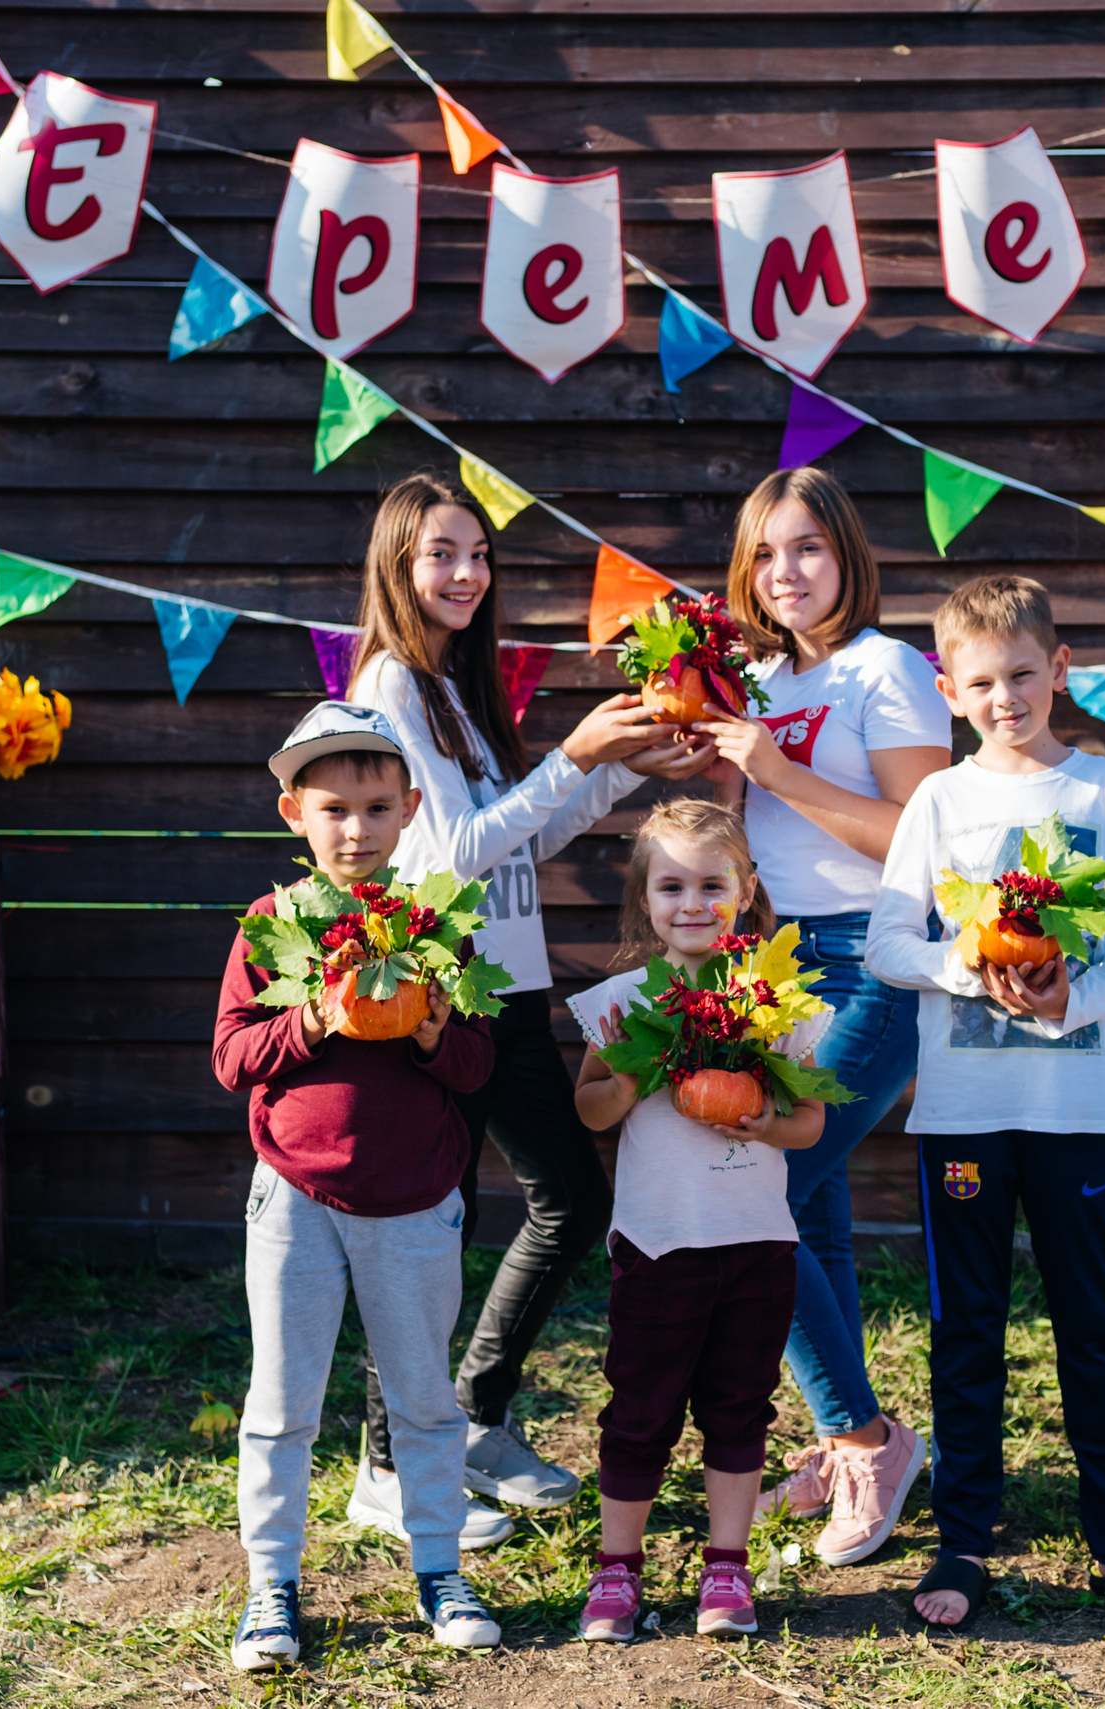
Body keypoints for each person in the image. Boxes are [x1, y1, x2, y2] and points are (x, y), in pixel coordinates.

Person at [347, 473, 711, 1540]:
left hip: (505, 983)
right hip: (444, 992)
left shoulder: (450, 686)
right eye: (441, 553)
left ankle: (470, 1417)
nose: (466, 573)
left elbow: (519, 836)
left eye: (477, 553)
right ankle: (384, 1466)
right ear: (397, 566)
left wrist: (615, 770)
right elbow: (451, 856)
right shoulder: (389, 687)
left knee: (564, 1200)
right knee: (432, 1226)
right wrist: (574, 755)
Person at [865, 574, 1105, 1635]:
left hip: (1077, 1108)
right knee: (966, 1323)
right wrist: (967, 968)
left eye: (1020, 673)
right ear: (951, 691)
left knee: (1091, 1324)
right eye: (980, 681)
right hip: (962, 1112)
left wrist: (1070, 1001)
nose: (1003, 696)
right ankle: (963, 1531)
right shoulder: (938, 803)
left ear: (1057, 668)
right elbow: (888, 941)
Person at [212, 702, 507, 1673]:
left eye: (376, 807)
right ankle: (272, 1584)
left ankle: (437, 1565)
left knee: (424, 1396)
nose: (355, 829)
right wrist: (317, 1018)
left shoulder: (433, 926)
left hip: (416, 1198)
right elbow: (232, 1057)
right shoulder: (271, 926)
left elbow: (474, 1063)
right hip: (295, 1198)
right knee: (282, 1399)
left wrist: (423, 1029)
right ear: (294, 810)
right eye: (333, 807)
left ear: (409, 807)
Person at [695, 468, 948, 1567]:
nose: (782, 572)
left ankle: (867, 1438)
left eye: (805, 548)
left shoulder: (886, 669)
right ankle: (845, 1436)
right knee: (815, 1216)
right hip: (778, 959)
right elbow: (746, 835)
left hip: (875, 959)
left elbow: (920, 839)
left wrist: (783, 772)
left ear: (846, 555)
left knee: (762, 1192)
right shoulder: (752, 678)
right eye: (763, 553)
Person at [565, 800, 830, 1642]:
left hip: (756, 1242)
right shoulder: (619, 1001)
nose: (692, 902)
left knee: (738, 1408)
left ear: (745, 891)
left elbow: (811, 1123)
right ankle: (618, 1569)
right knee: (640, 1408)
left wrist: (764, 1123)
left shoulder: (773, 1003)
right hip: (658, 1244)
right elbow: (592, 1110)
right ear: (645, 899)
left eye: (712, 884)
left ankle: (727, 1564)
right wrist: (637, 1076)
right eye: (671, 884)